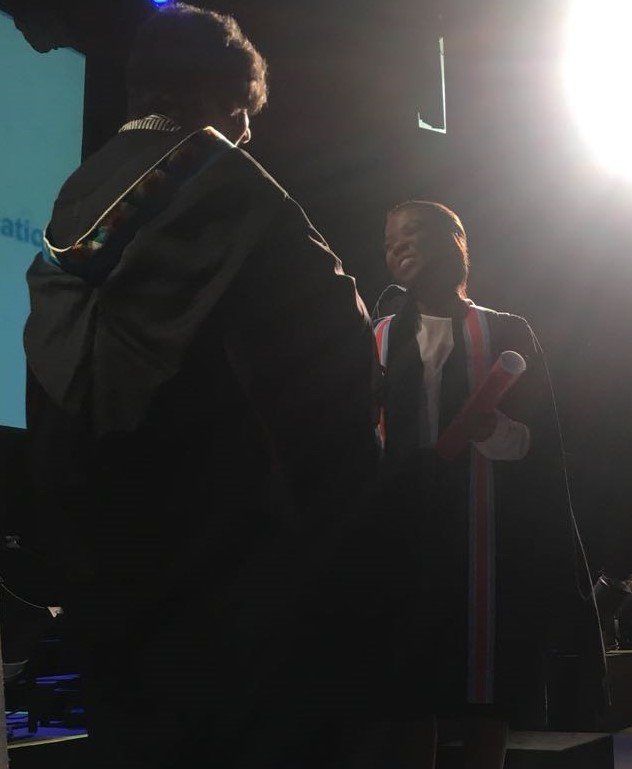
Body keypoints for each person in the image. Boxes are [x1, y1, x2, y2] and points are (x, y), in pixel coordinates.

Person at [23, 4, 377, 767]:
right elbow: (341, 361)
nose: (246, 134)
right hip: (227, 580)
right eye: (243, 113)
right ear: (221, 97)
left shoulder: (71, 199)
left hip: (102, 576)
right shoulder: (238, 190)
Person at [374, 201, 599, 768]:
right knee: (406, 686)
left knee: (487, 684)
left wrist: (494, 429)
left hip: (487, 538)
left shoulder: (505, 332)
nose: (398, 246)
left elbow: (542, 442)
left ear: (455, 242)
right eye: (390, 240)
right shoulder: (376, 337)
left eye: (413, 233)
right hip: (403, 532)